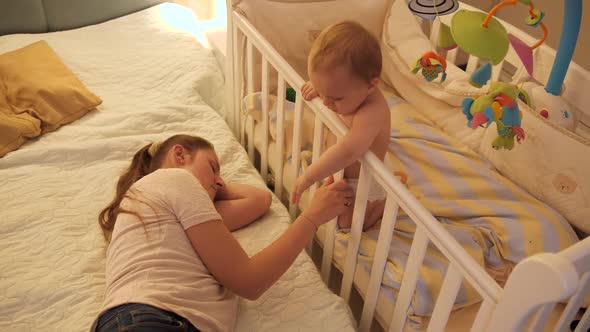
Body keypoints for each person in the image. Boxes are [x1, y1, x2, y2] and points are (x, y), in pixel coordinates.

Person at [92, 134, 354, 332]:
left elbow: (259, 200)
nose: (219, 181)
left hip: (141, 319)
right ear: (179, 155)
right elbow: (249, 281)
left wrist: (213, 184)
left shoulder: (157, 205)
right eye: (213, 166)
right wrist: (312, 217)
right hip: (153, 318)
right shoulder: (175, 180)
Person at [292, 21, 391, 230]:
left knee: (348, 223)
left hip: (363, 178)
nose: (326, 103)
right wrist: (319, 89)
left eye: (335, 98)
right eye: (322, 92)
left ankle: (381, 205)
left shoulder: (372, 111)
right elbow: (331, 89)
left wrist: (309, 176)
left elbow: (347, 151)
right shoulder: (346, 88)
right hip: (341, 170)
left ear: (371, 85)